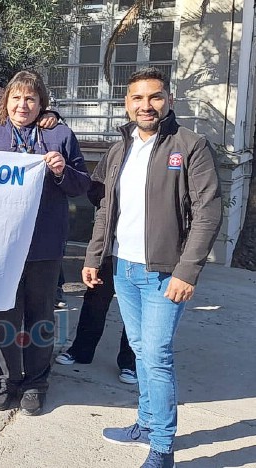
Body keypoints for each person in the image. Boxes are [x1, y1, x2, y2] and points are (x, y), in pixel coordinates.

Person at [83, 67, 222, 468]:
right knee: (142, 351)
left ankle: (162, 448)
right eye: (137, 99)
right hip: (124, 267)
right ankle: (145, 422)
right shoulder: (120, 147)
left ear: (169, 100)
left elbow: (208, 215)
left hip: (165, 272)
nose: (146, 105)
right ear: (127, 104)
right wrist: (95, 257)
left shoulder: (191, 145)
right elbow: (106, 208)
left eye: (154, 97)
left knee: (157, 354)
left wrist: (187, 270)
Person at [0, 69, 91, 415]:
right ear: (4, 102)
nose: (22, 105)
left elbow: (81, 186)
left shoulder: (60, 136)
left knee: (40, 317)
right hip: (0, 247)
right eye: (16, 98)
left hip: (43, 245)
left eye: (31, 99)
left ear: (42, 104)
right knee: (4, 317)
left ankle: (37, 382)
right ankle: (7, 380)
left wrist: (61, 171)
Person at [55, 171, 137, 385]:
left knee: (137, 310)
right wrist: (107, 202)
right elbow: (95, 185)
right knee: (95, 301)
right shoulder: (120, 151)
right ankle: (81, 351)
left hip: (145, 252)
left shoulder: (170, 152)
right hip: (111, 246)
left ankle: (131, 362)